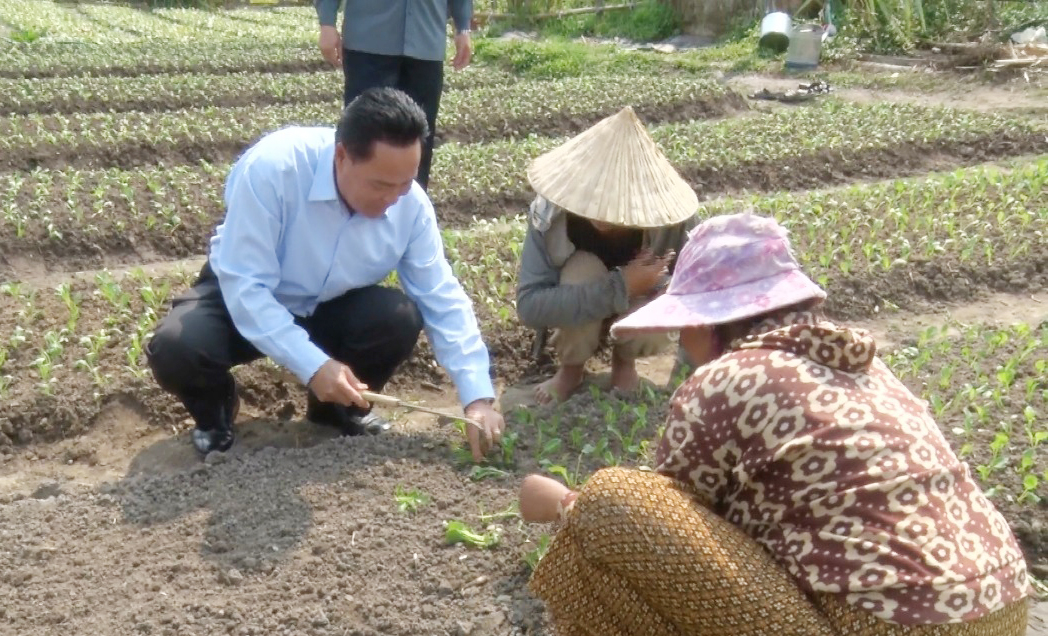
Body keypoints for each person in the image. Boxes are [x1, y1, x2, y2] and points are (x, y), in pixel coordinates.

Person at [518, 212, 1031, 635]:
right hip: (1005, 606)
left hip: (891, 624)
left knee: (613, 502)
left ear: (705, 321)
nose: (682, 344)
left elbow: (674, 541)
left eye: (684, 329)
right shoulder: (866, 367)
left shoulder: (724, 379)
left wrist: (569, 505)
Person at [146, 87, 503, 461]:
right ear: (341, 156)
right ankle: (216, 411)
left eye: (406, 182)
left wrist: (477, 397)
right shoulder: (275, 169)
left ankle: (337, 412)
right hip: (243, 297)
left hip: (332, 304)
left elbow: (440, 295)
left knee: (396, 317)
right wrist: (312, 364)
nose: (395, 197)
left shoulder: (410, 205)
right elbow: (246, 286)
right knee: (177, 348)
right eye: (381, 184)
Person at [515, 106, 700, 405]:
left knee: (664, 286)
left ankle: (624, 363)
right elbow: (530, 306)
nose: (602, 213)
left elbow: (700, 288)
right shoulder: (550, 216)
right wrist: (622, 286)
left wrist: (662, 294)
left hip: (637, 309)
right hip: (580, 306)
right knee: (582, 269)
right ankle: (571, 369)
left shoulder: (672, 221)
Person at [314, 0, 473, 190]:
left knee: (418, 134)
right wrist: (326, 23)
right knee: (362, 131)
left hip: (426, 42)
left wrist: (463, 28)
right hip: (369, 41)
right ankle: (347, 203)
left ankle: (410, 210)